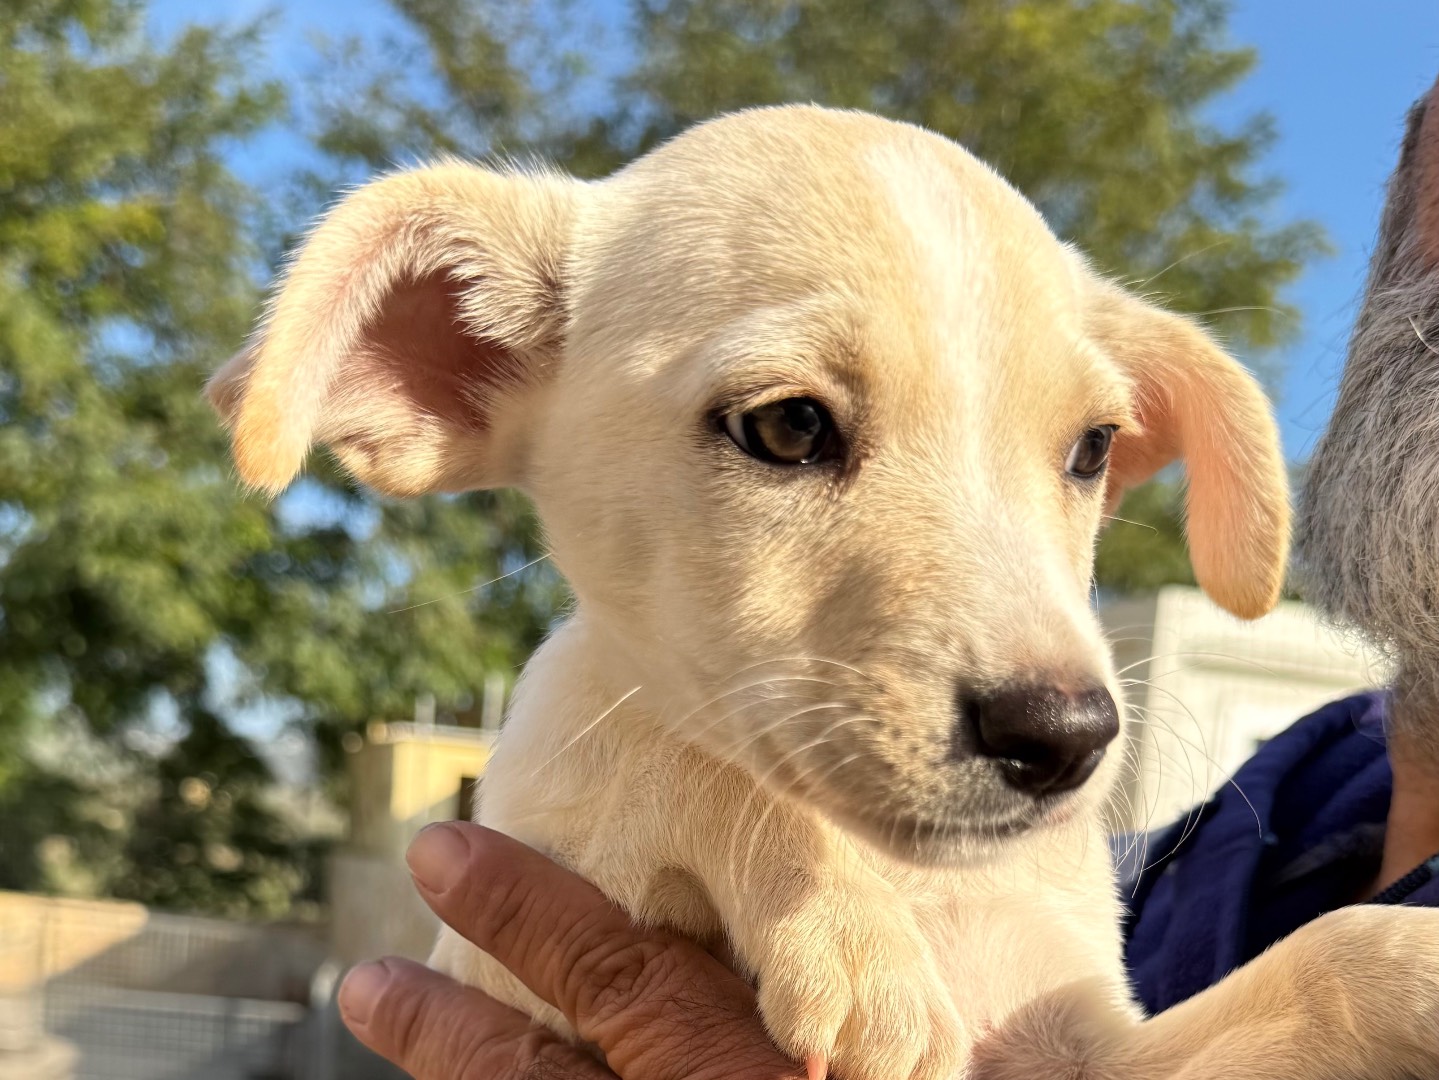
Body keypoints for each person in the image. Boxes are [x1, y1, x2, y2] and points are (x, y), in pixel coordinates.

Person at [338, 74, 1439, 1080]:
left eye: (1082, 450)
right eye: (788, 425)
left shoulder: (1142, 860)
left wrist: (1348, 993)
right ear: (455, 372)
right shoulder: (1254, 844)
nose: (1057, 703)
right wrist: (736, 824)